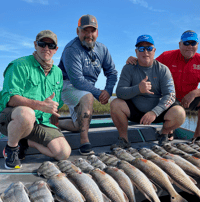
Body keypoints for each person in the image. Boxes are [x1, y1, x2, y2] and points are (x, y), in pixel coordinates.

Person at [127, 30, 200, 143]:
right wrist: (136, 60)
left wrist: (194, 93)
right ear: (180, 44)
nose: (189, 46)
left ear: (197, 45)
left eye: (193, 43)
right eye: (186, 43)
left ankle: (198, 134)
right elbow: (148, 65)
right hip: (168, 100)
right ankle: (167, 130)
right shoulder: (167, 56)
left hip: (188, 100)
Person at [0, 30, 71, 169]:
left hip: (40, 122)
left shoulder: (57, 73)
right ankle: (11, 149)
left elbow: (54, 105)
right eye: (42, 44)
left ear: (56, 49)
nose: (46, 48)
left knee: (64, 153)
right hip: (13, 119)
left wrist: (53, 125)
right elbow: (9, 98)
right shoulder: (19, 65)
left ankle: (25, 142)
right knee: (27, 114)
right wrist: (39, 105)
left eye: (51, 46)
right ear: (35, 45)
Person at [110, 35, 186, 149]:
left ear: (154, 51)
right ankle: (124, 139)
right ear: (136, 52)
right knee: (115, 104)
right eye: (141, 48)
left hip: (157, 113)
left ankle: (163, 134)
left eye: (149, 48)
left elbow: (170, 95)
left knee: (180, 113)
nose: (145, 51)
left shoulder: (163, 69)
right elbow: (120, 92)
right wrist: (138, 89)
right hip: (135, 111)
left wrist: (154, 112)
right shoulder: (128, 68)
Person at [58, 14, 118, 155]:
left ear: (97, 32)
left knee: (79, 124)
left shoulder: (102, 49)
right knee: (88, 96)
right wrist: (98, 94)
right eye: (85, 30)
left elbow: (112, 73)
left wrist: (108, 91)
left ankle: (55, 123)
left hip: (86, 90)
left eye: (92, 31)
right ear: (78, 31)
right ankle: (84, 141)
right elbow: (77, 80)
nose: (89, 34)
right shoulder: (71, 49)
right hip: (68, 86)